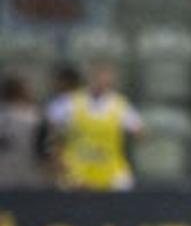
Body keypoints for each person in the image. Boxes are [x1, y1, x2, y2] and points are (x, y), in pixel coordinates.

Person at [46, 60, 141, 191]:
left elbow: (138, 131)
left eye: (107, 79)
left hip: (110, 172)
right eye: (98, 77)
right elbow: (52, 132)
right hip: (76, 172)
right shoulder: (69, 103)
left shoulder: (120, 106)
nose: (102, 82)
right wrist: (58, 159)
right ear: (90, 78)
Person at [0, 73, 45, 188]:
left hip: (4, 181)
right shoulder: (35, 118)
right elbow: (43, 153)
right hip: (29, 180)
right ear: (22, 92)